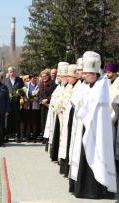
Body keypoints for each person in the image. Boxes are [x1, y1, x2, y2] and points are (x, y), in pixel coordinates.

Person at [69, 51, 116, 199]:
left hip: (97, 130)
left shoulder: (102, 84)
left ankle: (95, 190)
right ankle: (84, 188)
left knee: (96, 157)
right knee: (85, 156)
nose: (83, 76)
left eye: (87, 73)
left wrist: (81, 103)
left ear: (94, 73)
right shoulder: (89, 84)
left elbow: (93, 104)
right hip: (87, 126)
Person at [58, 64, 79, 177]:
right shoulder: (69, 86)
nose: (67, 78)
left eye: (69, 76)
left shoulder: (77, 86)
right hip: (65, 116)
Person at [3, 66, 24, 142]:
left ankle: (17, 136)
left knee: (16, 120)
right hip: (8, 104)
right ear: (8, 73)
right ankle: (6, 136)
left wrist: (20, 93)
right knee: (7, 120)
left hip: (16, 103)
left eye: (13, 71)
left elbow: (23, 90)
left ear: (15, 72)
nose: (11, 73)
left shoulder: (19, 80)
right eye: (10, 72)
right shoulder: (5, 81)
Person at [38, 69, 56, 139]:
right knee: (43, 121)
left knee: (49, 120)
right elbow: (39, 94)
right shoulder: (41, 83)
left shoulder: (53, 83)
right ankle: (43, 136)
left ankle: (48, 137)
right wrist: (41, 101)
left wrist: (47, 100)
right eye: (42, 76)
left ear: (48, 76)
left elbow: (54, 94)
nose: (44, 77)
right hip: (42, 105)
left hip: (49, 105)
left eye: (45, 76)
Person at [23, 74, 40, 142]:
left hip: (35, 106)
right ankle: (27, 137)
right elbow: (23, 94)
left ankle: (34, 137)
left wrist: (35, 98)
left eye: (35, 78)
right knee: (28, 122)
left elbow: (40, 95)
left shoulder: (38, 86)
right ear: (30, 79)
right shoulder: (26, 85)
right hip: (27, 106)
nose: (33, 79)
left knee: (35, 123)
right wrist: (25, 99)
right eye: (32, 78)